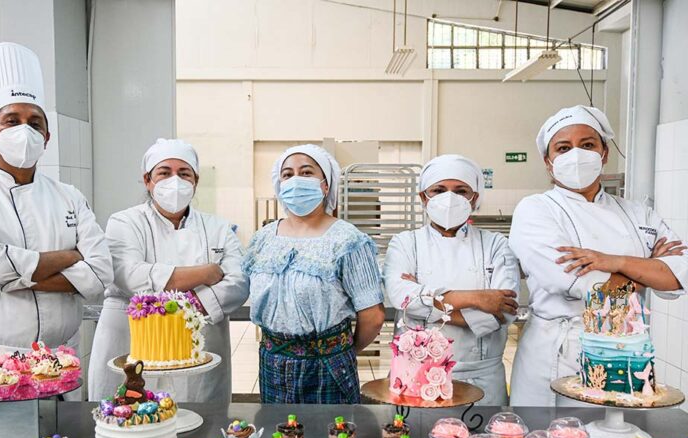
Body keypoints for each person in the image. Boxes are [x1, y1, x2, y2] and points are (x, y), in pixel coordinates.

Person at [0, 42, 113, 368]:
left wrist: (12, 279)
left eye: (35, 123)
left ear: (47, 137)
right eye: (11, 120)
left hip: (61, 356)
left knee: (64, 423)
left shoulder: (69, 196)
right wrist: (70, 257)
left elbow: (102, 276)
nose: (25, 130)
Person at [509, 105, 688, 406]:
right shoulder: (535, 209)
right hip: (558, 350)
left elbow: (678, 273)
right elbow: (583, 285)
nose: (576, 155)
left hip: (626, 351)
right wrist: (648, 273)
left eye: (588, 145)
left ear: (604, 153)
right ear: (548, 162)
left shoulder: (637, 212)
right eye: (563, 148)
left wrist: (614, 262)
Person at [88, 139, 249, 404]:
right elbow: (131, 276)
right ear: (148, 180)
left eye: (184, 173)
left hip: (201, 346)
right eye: (164, 172)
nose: (175, 181)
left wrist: (182, 311)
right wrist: (208, 272)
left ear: (195, 180)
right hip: (131, 343)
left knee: (200, 424)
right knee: (130, 425)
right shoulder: (124, 222)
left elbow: (238, 282)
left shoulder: (218, 227)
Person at [242, 144, 385, 404]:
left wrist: (341, 352)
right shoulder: (263, 239)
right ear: (279, 185)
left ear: (325, 185)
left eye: (306, 173)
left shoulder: (347, 240)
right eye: (287, 175)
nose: (296, 180)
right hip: (272, 363)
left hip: (327, 366)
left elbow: (373, 316)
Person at [383, 154, 520, 405]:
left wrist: (425, 302)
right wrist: (478, 298)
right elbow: (402, 298)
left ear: (474, 197)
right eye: (438, 190)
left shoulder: (496, 244)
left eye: (460, 190)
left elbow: (505, 311)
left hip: (481, 377)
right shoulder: (405, 242)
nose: (449, 198)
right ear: (424, 197)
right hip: (416, 372)